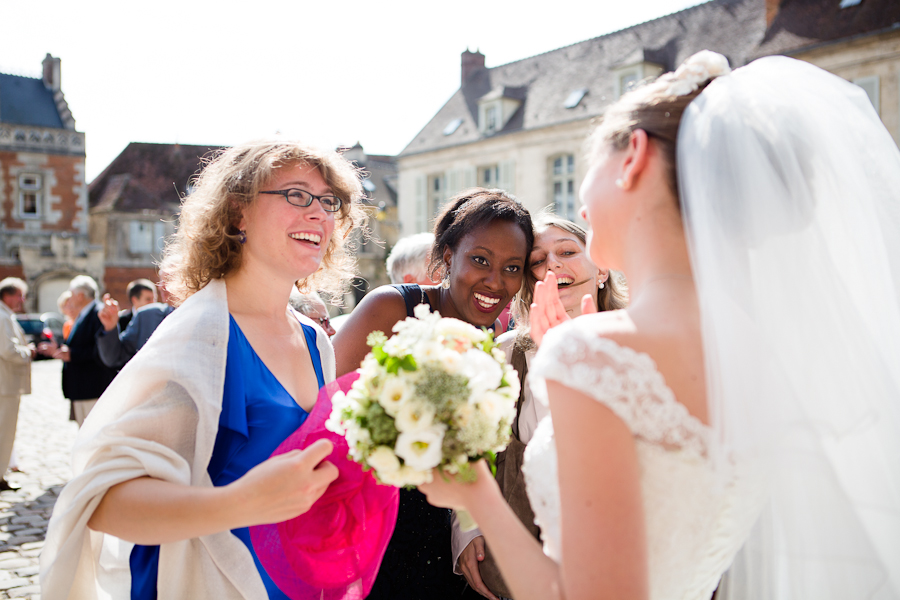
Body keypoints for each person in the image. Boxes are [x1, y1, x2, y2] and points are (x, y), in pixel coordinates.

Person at [418, 50, 900, 600]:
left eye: (589, 164)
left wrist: (475, 492)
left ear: (634, 158)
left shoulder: (593, 353)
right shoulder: (772, 350)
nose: (580, 191)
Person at [41, 139, 381, 599]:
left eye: (328, 202)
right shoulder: (200, 334)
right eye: (297, 195)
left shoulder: (313, 338)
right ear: (238, 213)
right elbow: (102, 501)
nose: (319, 214)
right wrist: (241, 503)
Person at [333, 188, 534, 600]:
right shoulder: (389, 310)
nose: (495, 281)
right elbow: (324, 414)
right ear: (447, 257)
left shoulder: (495, 343)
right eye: (480, 260)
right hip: (371, 531)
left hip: (446, 548)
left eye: (512, 267)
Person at [451, 213, 628, 600]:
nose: (552, 264)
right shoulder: (503, 352)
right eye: (538, 260)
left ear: (601, 269)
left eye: (567, 251)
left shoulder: (636, 345)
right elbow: (469, 450)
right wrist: (468, 529)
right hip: (518, 559)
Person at [40, 275, 117, 426]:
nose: (70, 298)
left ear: (81, 296)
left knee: (93, 433)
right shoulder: (84, 313)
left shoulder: (98, 313)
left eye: (72, 293)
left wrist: (72, 355)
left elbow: (101, 350)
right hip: (82, 388)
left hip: (92, 387)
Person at [0, 277, 35, 492]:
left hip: (6, 384)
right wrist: (28, 352)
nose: (22, 300)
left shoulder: (6, 315)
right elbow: (7, 350)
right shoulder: (3, 317)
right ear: (8, 295)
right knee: (4, 432)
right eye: (19, 295)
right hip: (5, 385)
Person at [96, 291, 175, 369]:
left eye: (170, 278)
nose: (162, 286)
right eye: (162, 279)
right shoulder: (146, 316)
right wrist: (110, 327)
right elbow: (116, 357)